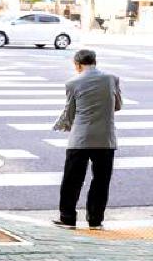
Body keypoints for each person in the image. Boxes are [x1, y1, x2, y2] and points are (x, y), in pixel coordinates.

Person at [52, 49, 122, 230]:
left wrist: (62, 125)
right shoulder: (112, 78)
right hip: (105, 139)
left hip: (80, 139)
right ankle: (95, 221)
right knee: (101, 180)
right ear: (95, 61)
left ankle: (67, 219)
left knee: (72, 180)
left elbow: (70, 112)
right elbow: (118, 106)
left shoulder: (72, 83)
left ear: (77, 65)